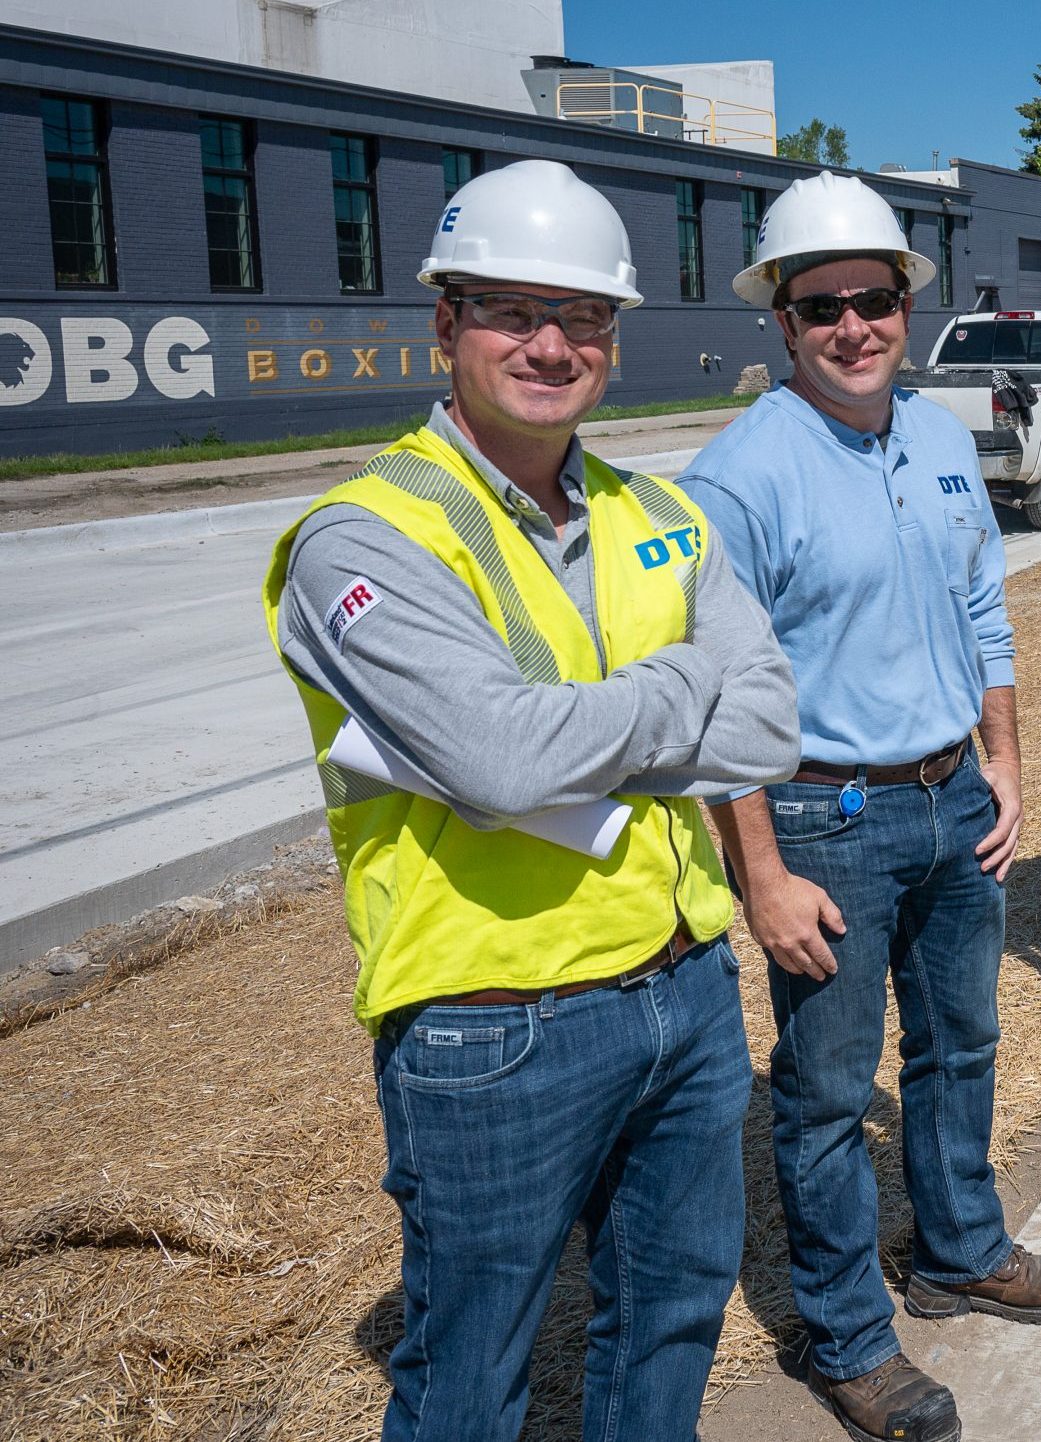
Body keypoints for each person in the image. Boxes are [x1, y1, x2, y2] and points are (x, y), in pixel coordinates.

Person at [262, 158, 801, 1441]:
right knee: (471, 1372)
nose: (553, 344)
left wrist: (589, 732)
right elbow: (499, 760)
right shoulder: (369, 535)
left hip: (683, 987)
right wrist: (681, 678)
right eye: (513, 310)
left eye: (587, 317)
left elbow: (772, 724)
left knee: (672, 1315)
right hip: (494, 1025)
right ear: (445, 324)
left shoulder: (655, 512)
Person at [685, 172, 1041, 1442]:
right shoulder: (739, 475)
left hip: (950, 797)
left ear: (905, 303)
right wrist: (759, 869)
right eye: (823, 307)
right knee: (820, 1092)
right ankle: (850, 1335)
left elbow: (982, 604)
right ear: (783, 320)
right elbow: (716, 691)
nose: (854, 325)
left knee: (960, 1045)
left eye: (874, 298)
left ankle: (961, 1247)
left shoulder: (929, 433)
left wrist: (1005, 761)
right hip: (826, 822)